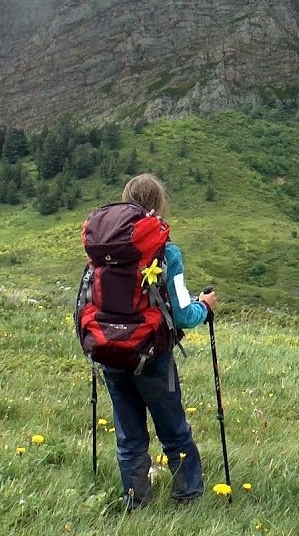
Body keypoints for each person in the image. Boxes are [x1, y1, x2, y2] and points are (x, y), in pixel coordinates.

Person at [102, 173, 218, 510]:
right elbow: (182, 315)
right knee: (173, 429)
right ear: (159, 205)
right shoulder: (166, 251)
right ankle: (187, 497)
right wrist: (205, 307)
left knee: (129, 435)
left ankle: (137, 502)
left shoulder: (105, 250)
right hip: (151, 354)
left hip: (110, 351)